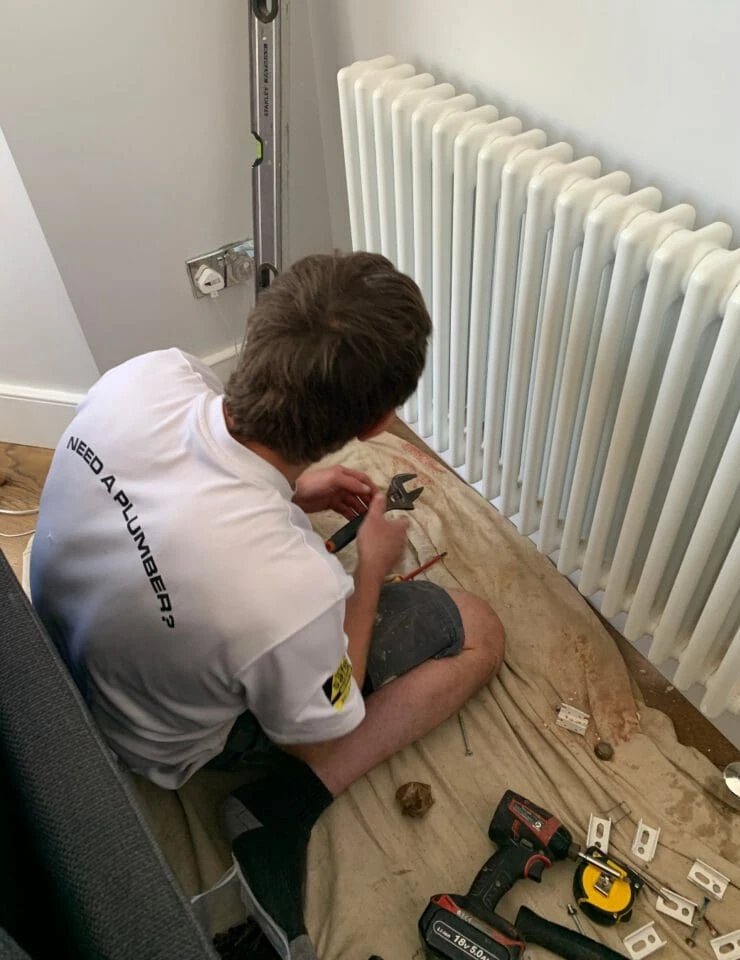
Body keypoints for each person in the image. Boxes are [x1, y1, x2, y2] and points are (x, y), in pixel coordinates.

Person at [31, 252, 505, 958]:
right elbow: (328, 716)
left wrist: (290, 490)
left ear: (258, 331)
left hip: (52, 652)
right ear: (378, 423)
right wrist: (369, 572)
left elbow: (185, 478)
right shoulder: (295, 591)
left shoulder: (148, 375)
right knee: (479, 629)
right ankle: (284, 809)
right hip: (148, 738)